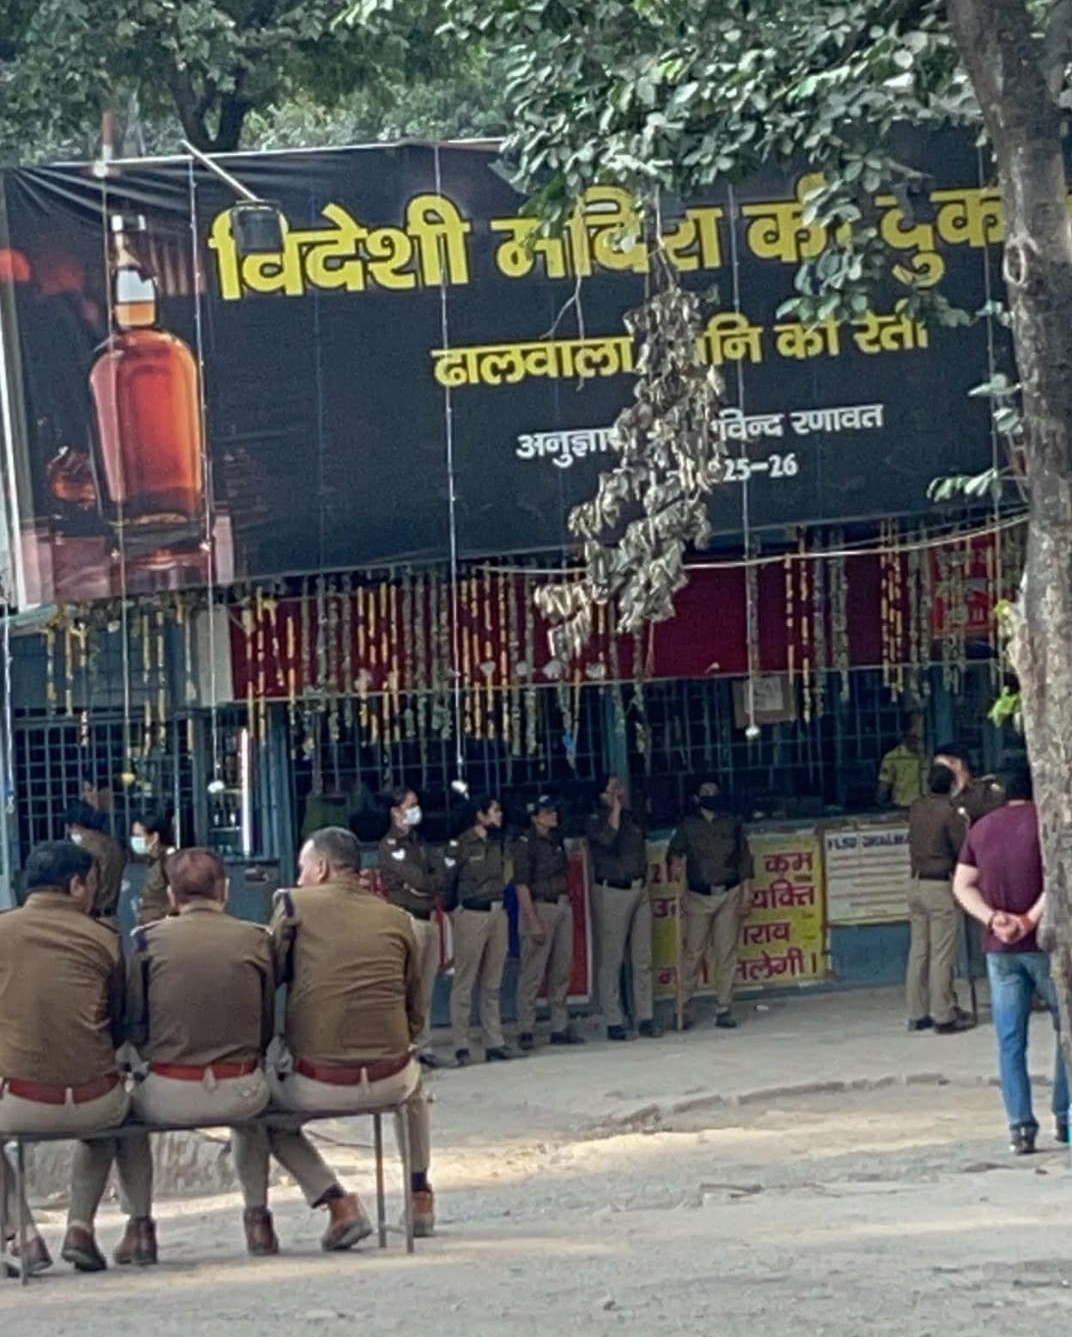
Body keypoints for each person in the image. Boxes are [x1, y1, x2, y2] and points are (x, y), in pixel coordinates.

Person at [267, 827, 435, 1245]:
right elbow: (415, 1008)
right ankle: (419, 1196)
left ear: (321, 868)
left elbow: (268, 977)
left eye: (304, 869)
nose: (300, 877)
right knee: (413, 1090)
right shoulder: (398, 918)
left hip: (318, 1082)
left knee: (263, 1115)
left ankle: (337, 1203)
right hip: (390, 1076)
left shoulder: (292, 905)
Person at [118, 848, 277, 1264]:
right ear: (224, 890)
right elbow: (265, 1021)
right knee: (254, 1120)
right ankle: (258, 1220)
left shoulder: (145, 940)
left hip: (170, 1089)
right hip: (241, 1085)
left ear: (171, 896)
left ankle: (140, 1229)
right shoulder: (256, 937)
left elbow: (135, 1022)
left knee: (126, 1120)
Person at [0, 841, 138, 1275]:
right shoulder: (106, 940)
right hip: (96, 1099)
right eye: (93, 885)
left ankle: (23, 1235)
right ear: (76, 886)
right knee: (107, 1124)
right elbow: (118, 1025)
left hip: (18, 1102)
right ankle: (80, 1227)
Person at [952, 764, 1069, 1154]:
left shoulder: (981, 829)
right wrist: (1029, 919)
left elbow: (962, 885)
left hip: (999, 951)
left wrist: (993, 919)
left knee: (1009, 1041)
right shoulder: (1047, 824)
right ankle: (1065, 1115)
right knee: (1065, 1028)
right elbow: (1059, 879)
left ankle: (1020, 1127)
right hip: (1043, 945)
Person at [668, 779, 754, 1030]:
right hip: (698, 896)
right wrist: (675, 865)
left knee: (726, 953)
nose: (711, 796)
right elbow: (674, 853)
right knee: (693, 954)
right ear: (696, 797)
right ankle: (682, 1007)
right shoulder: (688, 826)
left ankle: (724, 1008)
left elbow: (744, 860)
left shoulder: (732, 822)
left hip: (729, 893)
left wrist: (747, 894)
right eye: (705, 792)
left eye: (714, 792)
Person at [587, 775, 662, 1041]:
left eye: (620, 788)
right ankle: (614, 1020)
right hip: (612, 891)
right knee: (612, 958)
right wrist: (614, 808)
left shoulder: (631, 818)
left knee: (642, 958)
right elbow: (608, 839)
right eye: (613, 789)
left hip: (638, 889)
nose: (619, 792)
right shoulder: (596, 820)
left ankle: (645, 1017)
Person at [377, 787, 445, 1067]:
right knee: (408, 988)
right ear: (396, 812)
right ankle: (405, 1049)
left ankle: (424, 1046)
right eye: (411, 805)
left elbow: (439, 875)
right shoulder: (390, 846)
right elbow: (419, 879)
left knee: (426, 988)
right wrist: (424, 884)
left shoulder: (419, 841)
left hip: (429, 917)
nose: (416, 810)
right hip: (408, 921)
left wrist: (426, 884)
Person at [905, 764, 973, 1034]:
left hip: (915, 882)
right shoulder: (949, 812)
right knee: (942, 955)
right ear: (950, 785)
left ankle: (916, 1013)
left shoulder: (917, 808)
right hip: (938, 885)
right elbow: (961, 850)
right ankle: (943, 1014)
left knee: (919, 951)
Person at [512, 796, 583, 1052]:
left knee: (561, 969)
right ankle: (525, 1029)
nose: (553, 815)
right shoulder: (525, 843)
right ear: (535, 817)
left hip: (562, 904)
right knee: (532, 972)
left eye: (554, 810)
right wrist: (533, 921)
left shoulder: (556, 838)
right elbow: (521, 884)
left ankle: (559, 1026)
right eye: (547, 812)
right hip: (540, 906)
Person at [447, 797, 512, 1065]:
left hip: (497, 911)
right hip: (471, 913)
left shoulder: (499, 841)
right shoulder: (461, 843)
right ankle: (461, 1044)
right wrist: (455, 914)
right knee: (464, 981)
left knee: (492, 981)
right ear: (480, 815)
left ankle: (494, 1041)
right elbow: (447, 881)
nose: (500, 814)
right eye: (495, 810)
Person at [66, 799, 125, 930]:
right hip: (112, 916)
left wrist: (83, 914)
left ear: (74, 826)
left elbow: (90, 884)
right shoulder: (112, 844)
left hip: (93, 918)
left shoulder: (86, 847)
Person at [932, 743, 1005, 824]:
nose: (939, 772)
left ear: (957, 764)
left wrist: (960, 788)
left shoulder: (985, 789)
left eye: (942, 767)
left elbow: (990, 811)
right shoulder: (938, 795)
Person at [130, 808, 175, 927]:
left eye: (138, 835)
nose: (135, 840)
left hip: (162, 928)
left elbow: (176, 897)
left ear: (154, 837)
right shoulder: (152, 861)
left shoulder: (168, 860)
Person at [876, 719, 925, 809]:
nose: (917, 740)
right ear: (905, 736)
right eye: (914, 736)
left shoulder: (931, 755)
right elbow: (883, 787)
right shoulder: (893, 757)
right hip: (903, 808)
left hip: (929, 807)